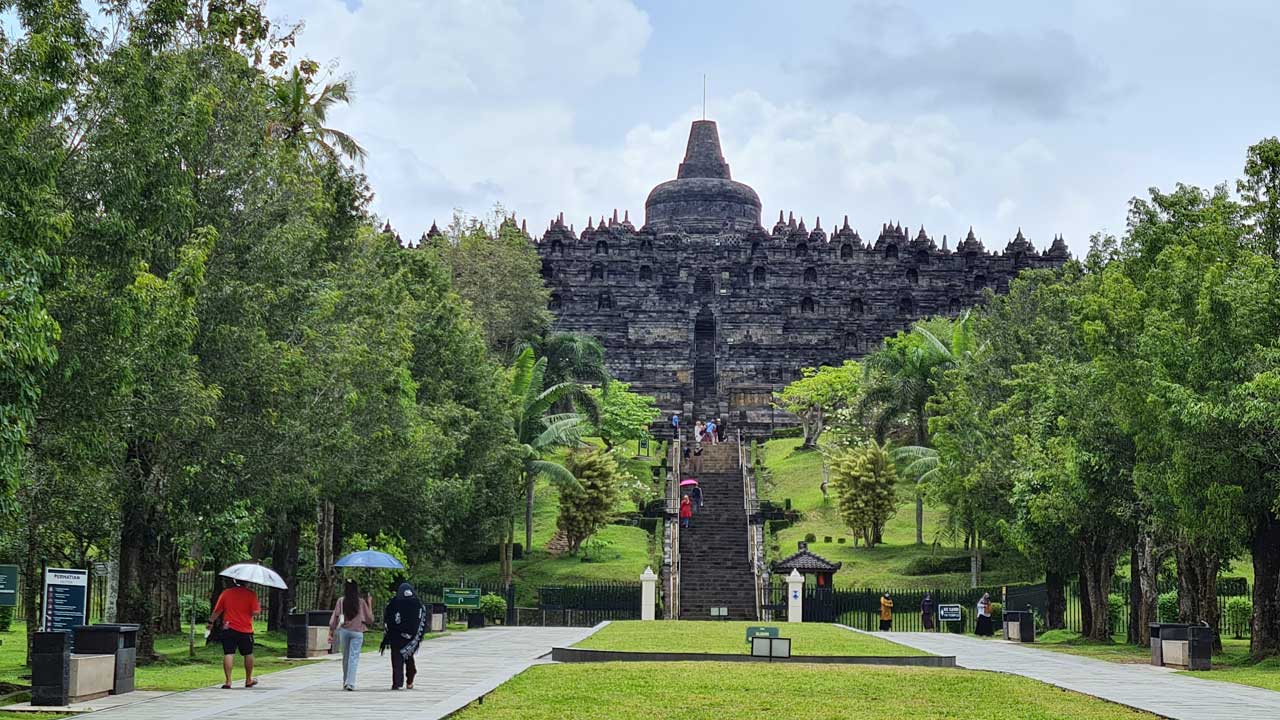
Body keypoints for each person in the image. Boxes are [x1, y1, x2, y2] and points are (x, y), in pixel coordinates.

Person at [209, 579, 261, 689]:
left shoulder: (226, 593)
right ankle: (248, 680)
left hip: (229, 627)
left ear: (234, 580)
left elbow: (217, 610)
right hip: (245, 629)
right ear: (247, 582)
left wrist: (210, 622)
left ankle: (228, 681)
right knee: (248, 653)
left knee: (228, 653)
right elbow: (255, 612)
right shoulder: (251, 594)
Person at [329, 579, 375, 691]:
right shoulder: (361, 602)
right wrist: (369, 603)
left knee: (345, 657)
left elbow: (334, 618)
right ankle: (350, 683)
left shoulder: (341, 601)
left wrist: (331, 632)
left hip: (344, 631)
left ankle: (345, 681)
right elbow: (370, 619)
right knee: (353, 658)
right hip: (358, 632)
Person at [381, 582, 427, 691]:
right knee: (407, 657)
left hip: (396, 636)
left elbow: (388, 618)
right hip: (410, 638)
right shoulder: (418, 604)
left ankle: (397, 683)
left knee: (397, 658)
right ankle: (407, 679)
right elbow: (422, 622)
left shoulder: (394, 603)